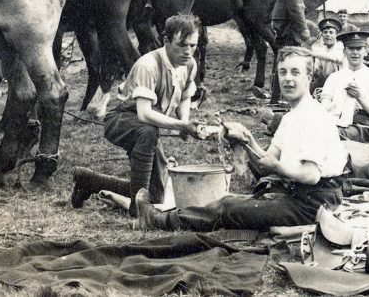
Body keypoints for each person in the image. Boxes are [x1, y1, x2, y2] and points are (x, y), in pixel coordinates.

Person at [135, 46, 349, 232]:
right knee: (230, 201)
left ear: (309, 78)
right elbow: (265, 163)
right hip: (299, 195)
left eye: (295, 72)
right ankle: (162, 217)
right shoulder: (291, 117)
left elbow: (310, 175)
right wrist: (246, 138)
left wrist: (277, 167)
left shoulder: (313, 117)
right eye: (283, 72)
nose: (288, 79)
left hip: (315, 206)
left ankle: (157, 220)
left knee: (229, 208)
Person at [70, 14, 204, 216]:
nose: (188, 51)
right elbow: (144, 114)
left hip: (148, 126)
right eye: (182, 45)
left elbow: (185, 96)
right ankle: (137, 208)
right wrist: (180, 126)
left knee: (156, 195)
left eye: (193, 45)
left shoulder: (189, 64)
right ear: (166, 41)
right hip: (122, 119)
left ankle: (90, 181)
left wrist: (184, 122)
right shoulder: (148, 65)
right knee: (148, 131)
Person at [320, 31, 369, 142]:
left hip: (363, 126)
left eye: (359, 48)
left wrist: (360, 97)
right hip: (334, 121)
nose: (355, 52)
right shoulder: (334, 77)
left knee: (333, 134)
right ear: (344, 51)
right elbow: (324, 108)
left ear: (365, 51)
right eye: (351, 48)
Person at [309, 16, 345, 92]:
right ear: (322, 35)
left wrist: (313, 53)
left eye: (331, 32)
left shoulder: (341, 47)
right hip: (324, 80)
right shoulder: (321, 49)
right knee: (306, 90)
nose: (328, 35)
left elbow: (335, 58)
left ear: (336, 35)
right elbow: (317, 70)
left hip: (340, 82)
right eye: (325, 32)